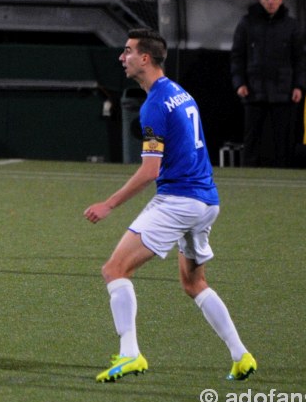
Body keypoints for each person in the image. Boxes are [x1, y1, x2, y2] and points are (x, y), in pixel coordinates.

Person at [84, 28, 256, 383]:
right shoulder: (179, 93)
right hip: (207, 200)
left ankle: (130, 354)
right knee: (194, 283)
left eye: (128, 51)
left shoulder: (154, 107)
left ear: (145, 58)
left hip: (179, 201)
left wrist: (109, 204)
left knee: (114, 270)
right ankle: (241, 355)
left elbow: (150, 171)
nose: (122, 57)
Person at [230, 0, 306, 167]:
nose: (270, 2)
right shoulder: (247, 23)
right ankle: (247, 171)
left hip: (283, 89)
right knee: (252, 135)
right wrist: (239, 82)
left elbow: (299, 59)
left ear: (281, 0)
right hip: (254, 89)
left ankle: (284, 172)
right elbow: (237, 56)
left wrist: (298, 86)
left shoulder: (291, 25)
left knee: (283, 137)